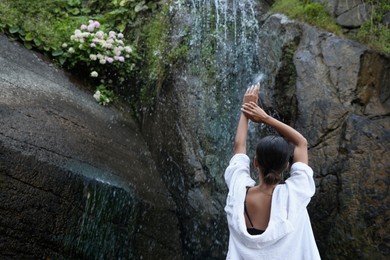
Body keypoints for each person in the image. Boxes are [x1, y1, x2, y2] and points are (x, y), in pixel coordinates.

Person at [224, 83, 320, 259]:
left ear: (255, 163)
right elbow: (301, 143)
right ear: (287, 166)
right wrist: (265, 118)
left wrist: (247, 109)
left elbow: (239, 146)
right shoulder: (295, 195)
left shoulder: (237, 193)